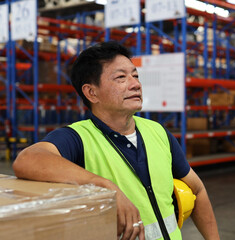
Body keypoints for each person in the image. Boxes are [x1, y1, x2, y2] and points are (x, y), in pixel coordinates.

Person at [12, 41, 219, 240]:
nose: (135, 84)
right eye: (121, 78)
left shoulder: (158, 132)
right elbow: (28, 159)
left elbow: (197, 190)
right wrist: (105, 186)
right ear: (91, 92)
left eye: (135, 76)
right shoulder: (78, 138)